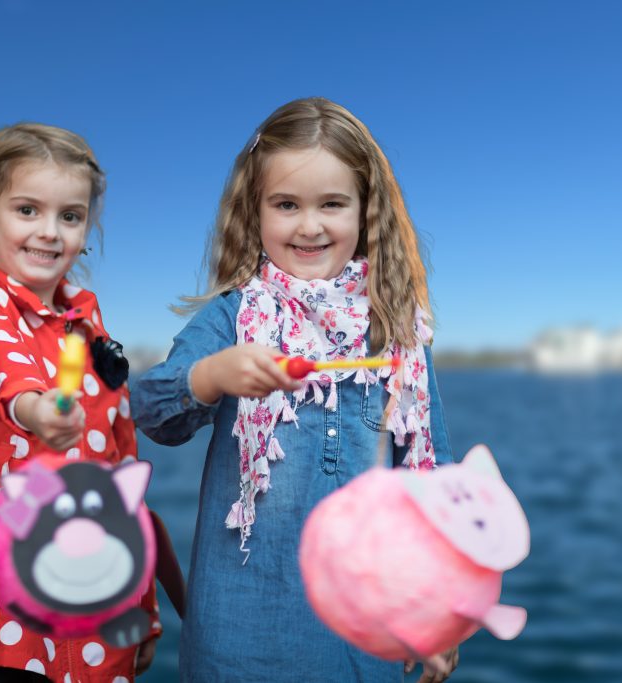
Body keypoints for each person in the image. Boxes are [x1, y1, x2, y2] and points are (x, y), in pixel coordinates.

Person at [132, 98, 460, 683]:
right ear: (254, 212)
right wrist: (214, 375)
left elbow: (430, 473)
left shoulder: (398, 331)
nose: (309, 225)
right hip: (241, 634)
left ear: (365, 212)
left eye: (332, 204)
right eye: (286, 205)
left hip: (366, 631)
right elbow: (153, 409)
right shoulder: (232, 317)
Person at [0, 123, 160, 683]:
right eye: (27, 210)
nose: (50, 233)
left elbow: (121, 468)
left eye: (69, 216)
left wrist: (141, 607)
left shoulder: (88, 326)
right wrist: (33, 408)